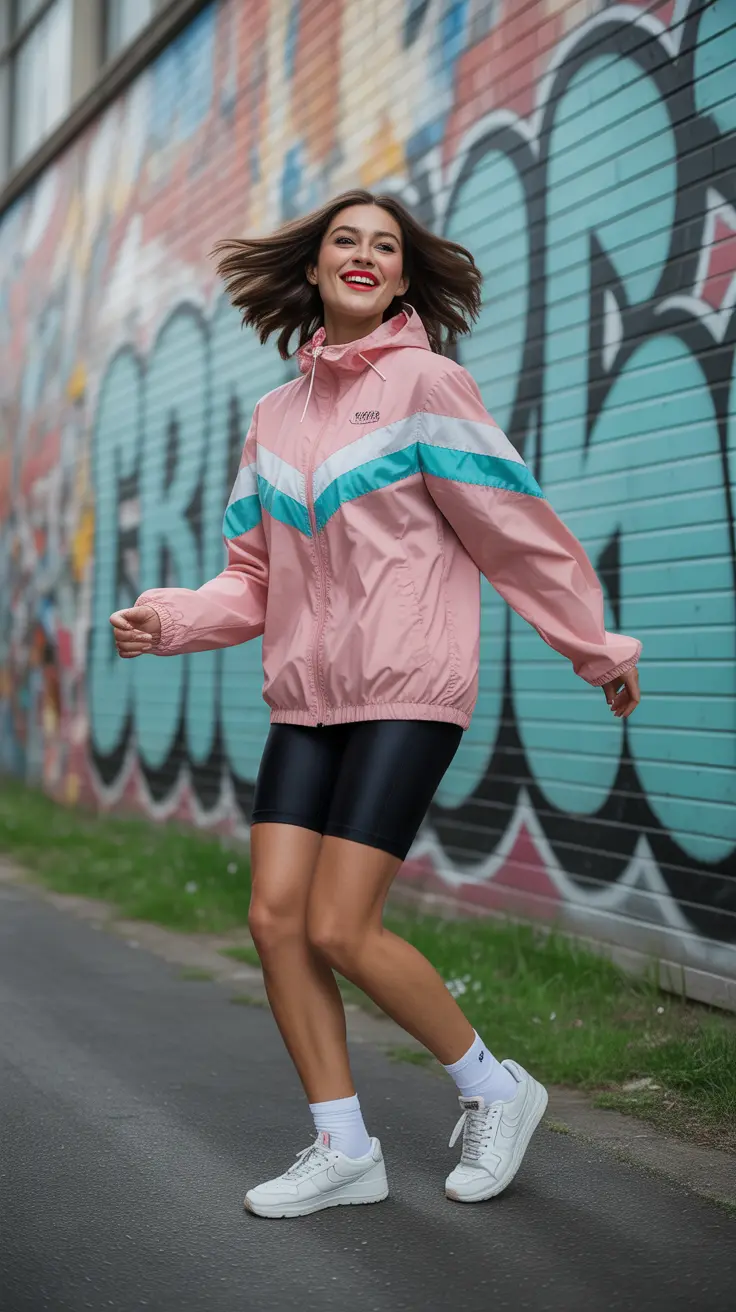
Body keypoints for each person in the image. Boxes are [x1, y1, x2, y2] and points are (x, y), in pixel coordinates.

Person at [110, 189, 641, 1219]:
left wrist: (594, 644)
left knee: (342, 927)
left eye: (384, 245)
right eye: (344, 241)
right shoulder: (273, 417)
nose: (363, 254)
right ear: (314, 268)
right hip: (307, 701)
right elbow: (252, 579)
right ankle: (344, 1146)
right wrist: (167, 618)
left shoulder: (428, 386)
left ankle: (496, 1088)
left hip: (406, 691)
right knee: (275, 919)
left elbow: (512, 530)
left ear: (401, 276)